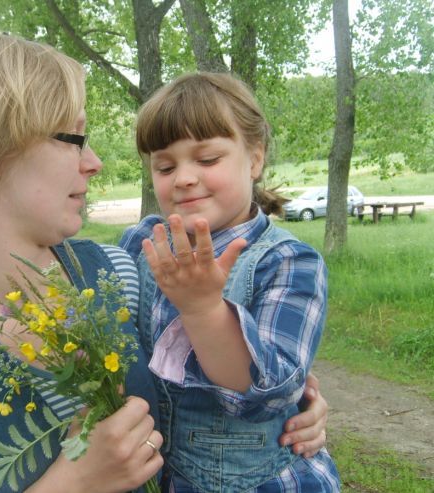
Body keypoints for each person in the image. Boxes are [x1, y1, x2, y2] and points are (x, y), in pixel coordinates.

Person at [0, 31, 327, 493]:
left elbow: (209, 374)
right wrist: (73, 483)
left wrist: (292, 408)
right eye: (74, 138)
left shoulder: (119, 272)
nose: (94, 162)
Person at [119, 72, 340, 492]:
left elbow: (268, 393)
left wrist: (202, 308)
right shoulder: (141, 243)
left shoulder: (288, 262)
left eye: (206, 160)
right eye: (165, 165)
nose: (183, 177)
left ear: (254, 160)